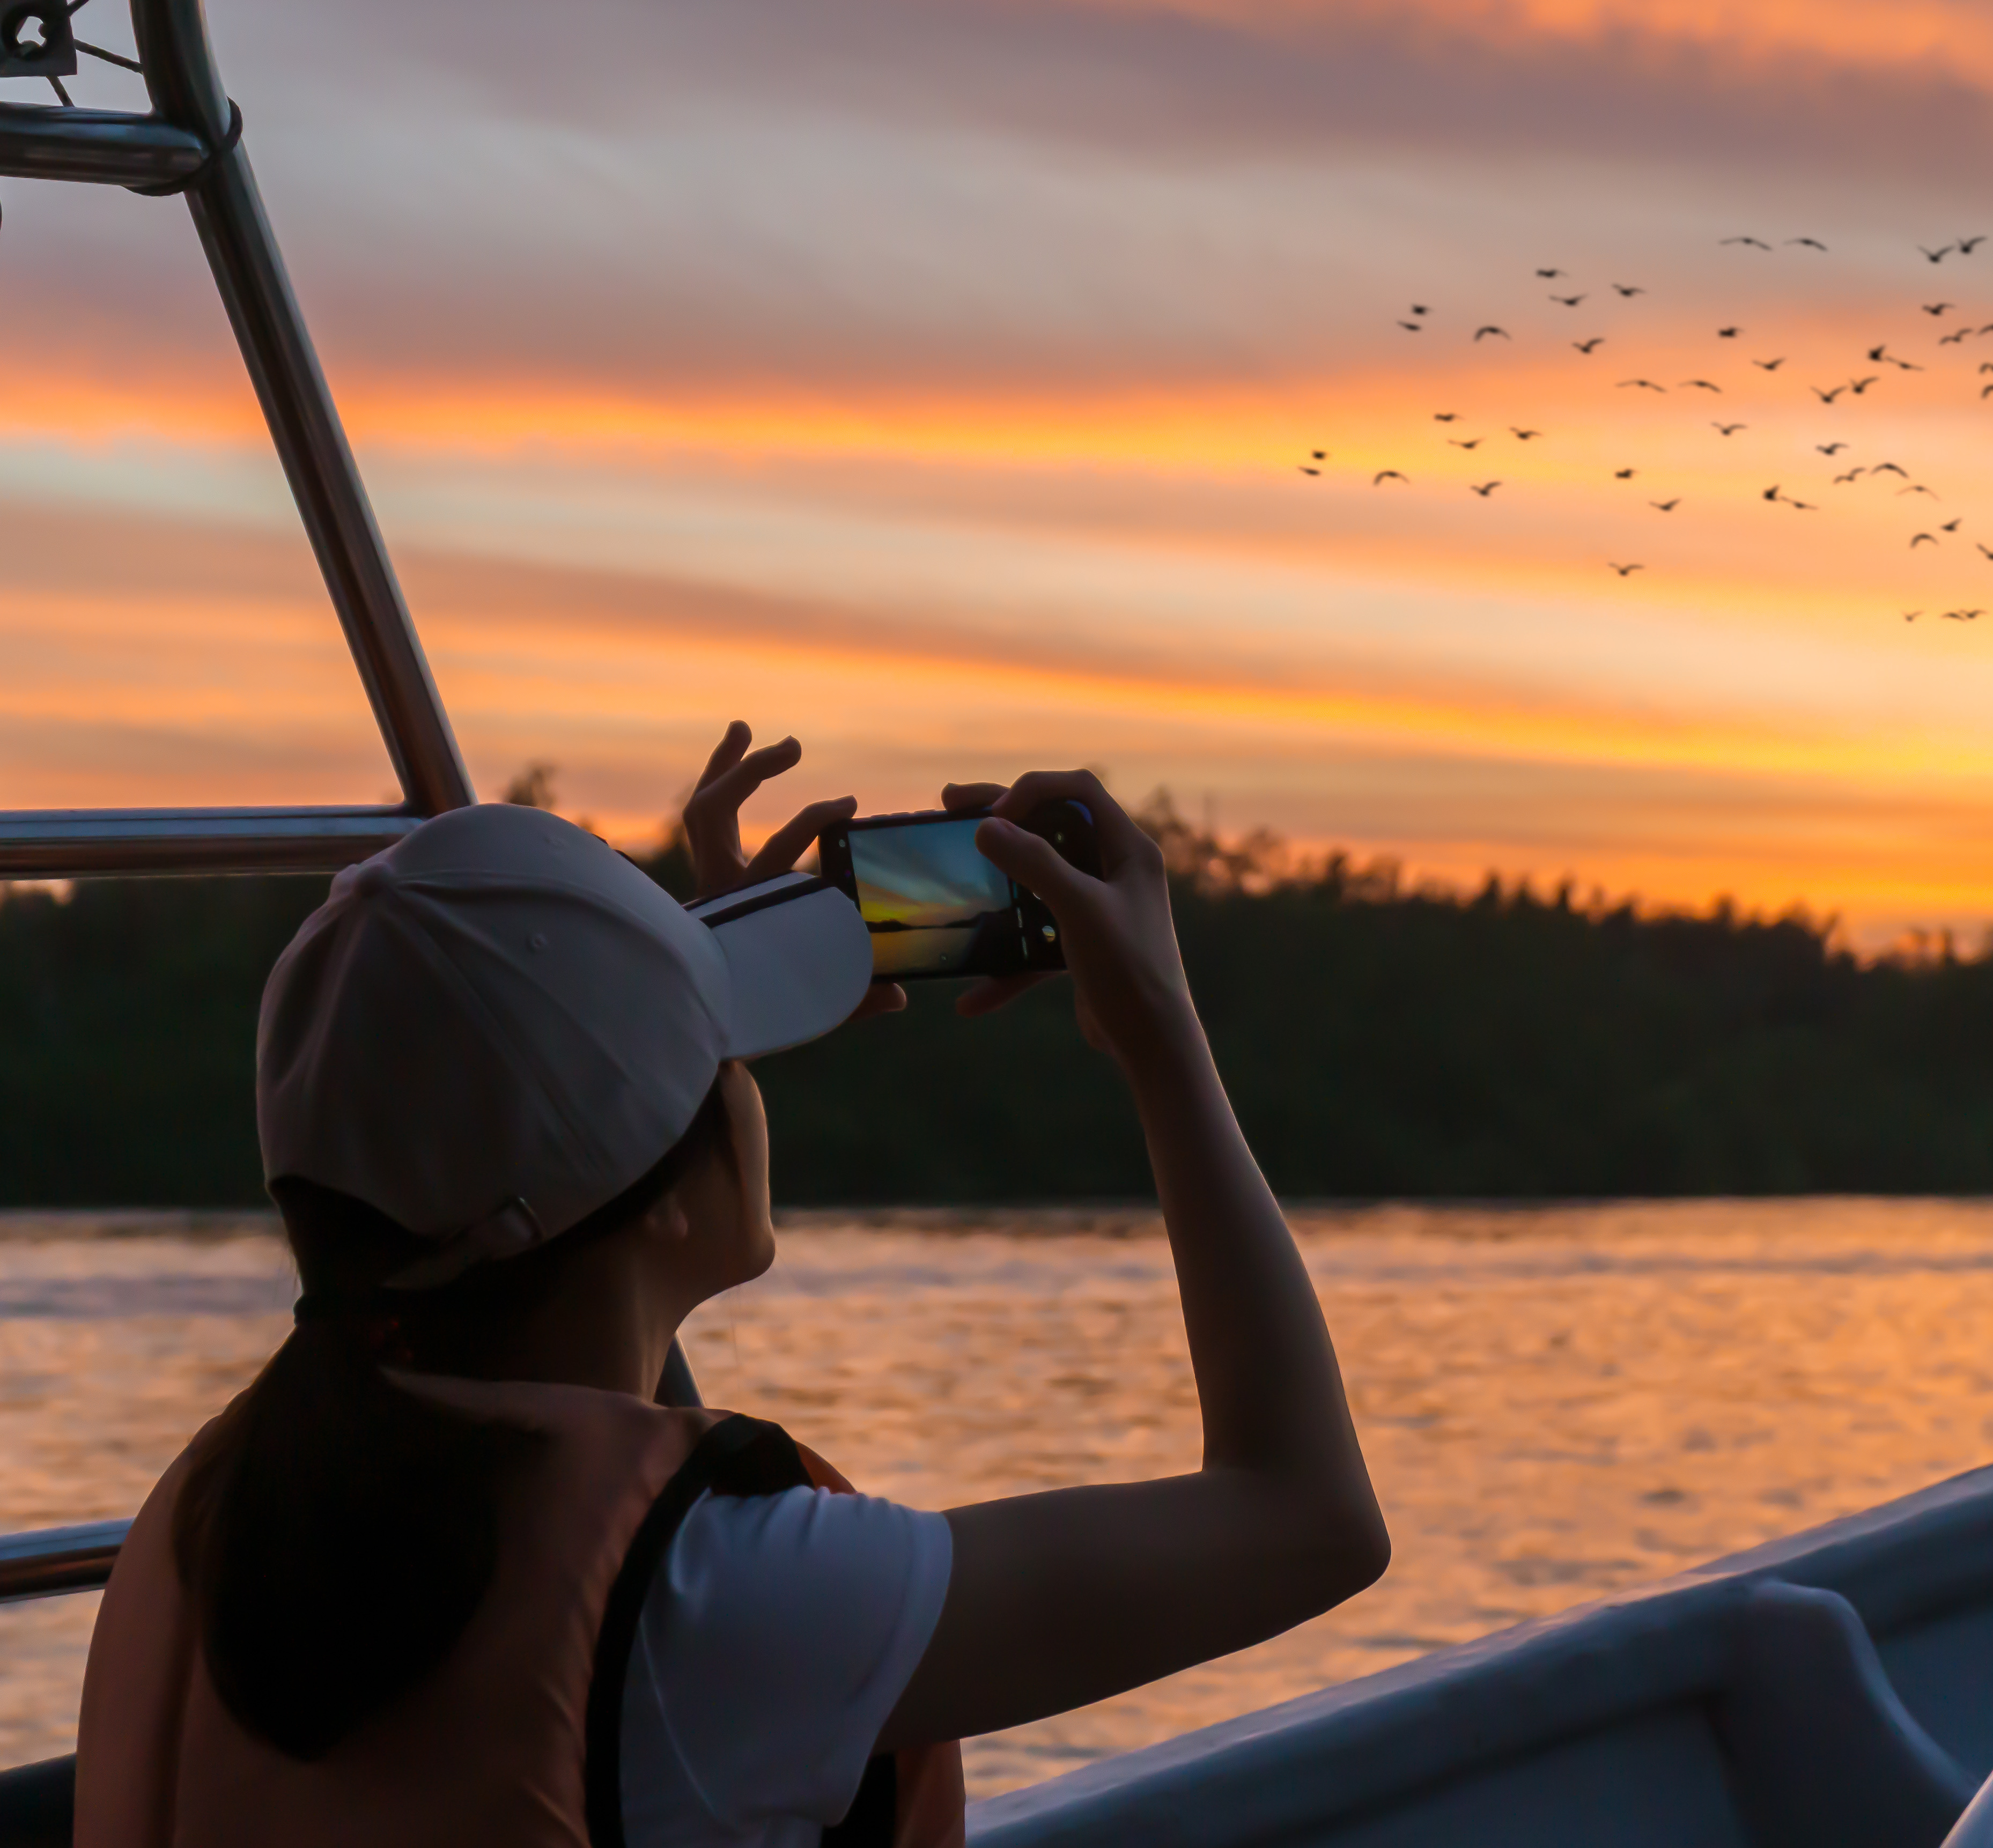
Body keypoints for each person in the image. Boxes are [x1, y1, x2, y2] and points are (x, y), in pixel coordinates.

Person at [73, 723, 1389, 1848]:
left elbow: (577, 1354)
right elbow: (1310, 1517)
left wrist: (646, 1030)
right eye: (728, 1065)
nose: (749, 1087)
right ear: (665, 1195)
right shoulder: (728, 1604)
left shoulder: (216, 1515)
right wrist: (1159, 1029)